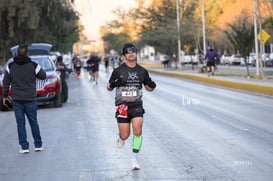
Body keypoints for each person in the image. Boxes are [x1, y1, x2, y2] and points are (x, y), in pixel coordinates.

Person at [106, 43, 156, 170]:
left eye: (133, 50)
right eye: (128, 51)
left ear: (136, 53)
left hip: (136, 105)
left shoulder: (142, 71)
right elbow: (108, 87)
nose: (131, 53)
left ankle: (134, 159)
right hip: (122, 107)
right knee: (125, 135)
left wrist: (152, 85)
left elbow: (149, 88)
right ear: (124, 55)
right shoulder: (118, 71)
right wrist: (112, 84)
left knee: (138, 131)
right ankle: (121, 137)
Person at [2, 44, 46, 154]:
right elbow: (43, 75)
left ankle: (24, 147)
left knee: (20, 124)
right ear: (27, 53)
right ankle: (38, 145)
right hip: (30, 98)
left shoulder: (10, 66)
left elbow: (5, 82)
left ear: (16, 53)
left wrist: (4, 96)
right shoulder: (33, 65)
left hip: (17, 99)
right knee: (33, 122)